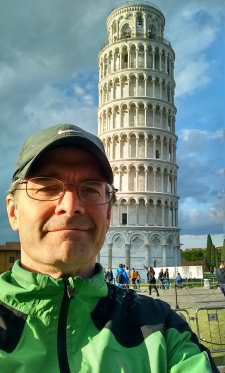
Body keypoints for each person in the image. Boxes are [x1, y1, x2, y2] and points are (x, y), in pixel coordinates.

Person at [0, 123, 219, 372]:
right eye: (48, 187)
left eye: (90, 189)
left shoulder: (163, 330)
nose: (70, 206)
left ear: (108, 216)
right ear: (13, 211)